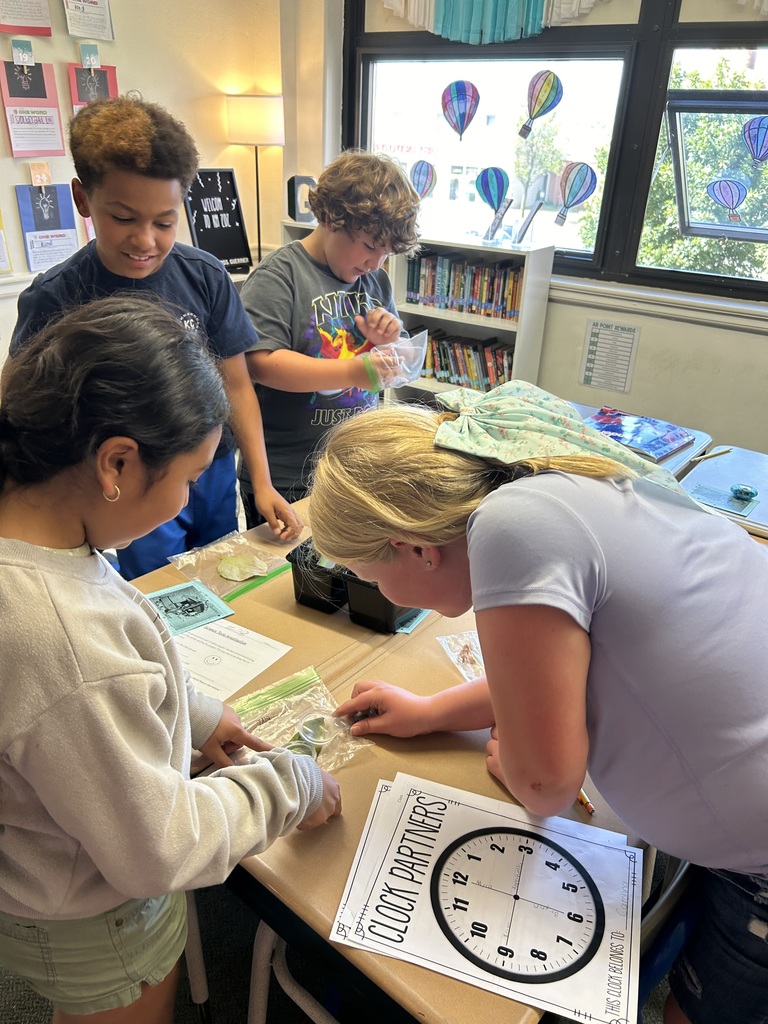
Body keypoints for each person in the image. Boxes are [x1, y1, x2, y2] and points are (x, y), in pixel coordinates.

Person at [308, 380, 768, 1024]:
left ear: (415, 547)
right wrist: (433, 711)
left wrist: (521, 764)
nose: (380, 590)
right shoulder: (546, 484)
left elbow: (547, 785)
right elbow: (545, 669)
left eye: (368, 574)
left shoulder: (511, 530)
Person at [0, 295, 341, 1024]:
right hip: (94, 921)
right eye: (189, 477)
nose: (191, 496)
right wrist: (294, 783)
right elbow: (157, 849)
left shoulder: (34, 534)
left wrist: (197, 715)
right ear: (117, 462)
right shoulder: (65, 636)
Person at [8, 94, 301, 580]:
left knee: (223, 570)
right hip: (127, 485)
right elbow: (25, 420)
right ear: (83, 199)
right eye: (124, 218)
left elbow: (238, 384)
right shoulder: (54, 297)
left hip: (211, 468)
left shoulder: (205, 276)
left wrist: (263, 482)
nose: (146, 240)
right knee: (161, 585)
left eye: (164, 222)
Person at [237, 148, 421, 528]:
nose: (375, 263)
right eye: (370, 246)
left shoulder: (374, 279)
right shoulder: (279, 275)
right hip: (287, 474)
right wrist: (353, 371)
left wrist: (389, 341)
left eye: (386, 254)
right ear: (330, 218)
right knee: (285, 578)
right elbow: (261, 364)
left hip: (354, 463)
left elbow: (402, 358)